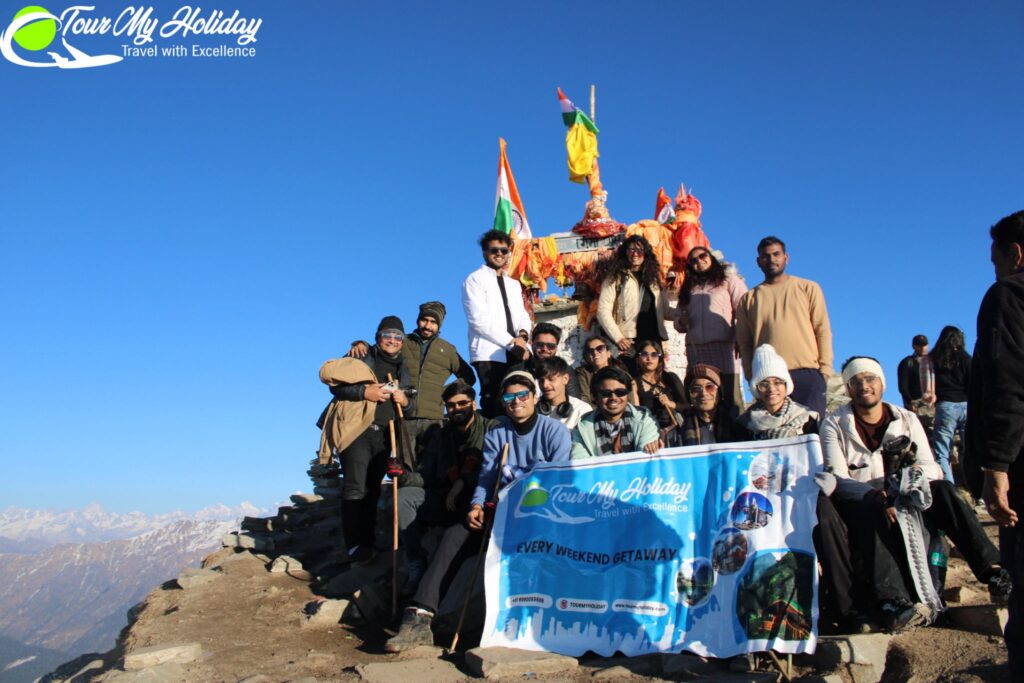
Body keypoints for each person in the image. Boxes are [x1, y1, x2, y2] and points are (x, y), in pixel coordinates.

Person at [821, 356, 1009, 631]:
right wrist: (880, 498)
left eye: (870, 378)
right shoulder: (834, 424)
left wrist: (906, 487)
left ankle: (991, 569)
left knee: (944, 490)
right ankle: (893, 600)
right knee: (872, 511)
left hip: (909, 492)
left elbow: (931, 466)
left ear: (882, 384)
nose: (864, 385)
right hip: (864, 499)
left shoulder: (905, 419)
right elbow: (838, 477)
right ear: (848, 389)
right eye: (855, 381)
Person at [386, 371, 571, 651]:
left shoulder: (554, 431)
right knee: (455, 536)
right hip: (499, 512)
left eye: (523, 395)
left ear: (534, 397)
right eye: (509, 397)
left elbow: (559, 482)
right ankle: (420, 615)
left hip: (540, 515)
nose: (516, 401)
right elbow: (486, 478)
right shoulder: (498, 433)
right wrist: (476, 505)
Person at [966, 210, 1024, 679]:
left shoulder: (1008, 296)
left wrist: (996, 465)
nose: (996, 270)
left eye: (995, 261)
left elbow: (1007, 383)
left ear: (1015, 254)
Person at [389, 381, 495, 594]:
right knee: (405, 496)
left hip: (479, 503)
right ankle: (415, 562)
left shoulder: (492, 429)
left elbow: (495, 470)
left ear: (473, 404)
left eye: (462, 403)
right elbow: (425, 476)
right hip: (444, 501)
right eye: (451, 405)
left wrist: (464, 480)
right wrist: (402, 476)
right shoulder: (441, 436)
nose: (457, 409)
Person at [330, 316, 413, 563]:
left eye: (397, 337)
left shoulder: (402, 367)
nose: (392, 340)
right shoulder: (363, 356)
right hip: (358, 430)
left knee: (372, 489)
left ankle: (367, 542)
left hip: (386, 434)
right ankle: (355, 545)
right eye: (387, 335)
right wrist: (365, 391)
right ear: (378, 337)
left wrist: (405, 402)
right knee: (355, 487)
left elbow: (408, 404)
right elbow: (337, 386)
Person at [348, 301, 476, 452]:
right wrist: (361, 343)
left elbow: (469, 377)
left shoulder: (447, 350)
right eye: (424, 320)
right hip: (402, 415)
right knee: (404, 468)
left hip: (433, 419)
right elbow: (380, 349)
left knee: (430, 468)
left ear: (439, 325)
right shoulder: (403, 342)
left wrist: (445, 392)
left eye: (433, 322)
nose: (427, 326)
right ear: (418, 320)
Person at [735, 236, 833, 418]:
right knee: (776, 439)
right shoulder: (748, 300)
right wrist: (751, 377)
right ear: (758, 261)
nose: (771, 259)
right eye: (765, 256)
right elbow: (744, 343)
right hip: (768, 379)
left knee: (812, 435)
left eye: (776, 254)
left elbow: (822, 330)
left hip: (807, 373)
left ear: (786, 257)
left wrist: (825, 371)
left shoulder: (808, 288)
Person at [462, 229, 533, 418]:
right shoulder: (474, 279)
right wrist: (511, 343)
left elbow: (522, 314)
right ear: (485, 252)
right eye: (494, 250)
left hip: (517, 351)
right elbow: (478, 320)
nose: (499, 254)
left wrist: (523, 337)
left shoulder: (513, 284)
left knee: (519, 401)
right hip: (490, 354)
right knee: (494, 402)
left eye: (504, 250)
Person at [675, 246, 748, 414]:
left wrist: (741, 336)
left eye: (702, 256)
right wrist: (681, 321)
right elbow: (678, 321)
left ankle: (739, 437)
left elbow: (744, 309)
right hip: (697, 350)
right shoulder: (688, 287)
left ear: (711, 257)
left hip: (724, 347)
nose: (699, 261)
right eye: (693, 260)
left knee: (731, 397)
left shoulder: (729, 280)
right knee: (702, 397)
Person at [596, 235, 673, 368]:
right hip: (629, 342)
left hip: (653, 340)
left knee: (654, 379)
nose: (635, 254)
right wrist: (618, 337)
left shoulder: (654, 281)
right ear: (625, 253)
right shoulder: (615, 278)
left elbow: (665, 311)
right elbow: (603, 311)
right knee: (628, 379)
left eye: (639, 250)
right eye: (630, 250)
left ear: (646, 254)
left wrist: (687, 313)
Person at [572, 366, 661, 459]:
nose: (613, 398)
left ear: (627, 394)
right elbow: (581, 464)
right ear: (595, 396)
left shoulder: (644, 420)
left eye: (620, 392)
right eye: (606, 393)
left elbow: (646, 459)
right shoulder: (582, 428)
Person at [737, 344, 819, 439]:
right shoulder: (744, 424)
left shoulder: (807, 419)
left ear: (786, 385)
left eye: (777, 382)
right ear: (756, 389)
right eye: (764, 384)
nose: (771, 389)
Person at [664, 363, 745, 447]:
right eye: (696, 389)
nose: (703, 393)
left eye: (710, 387)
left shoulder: (738, 426)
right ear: (690, 396)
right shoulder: (677, 435)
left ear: (719, 392)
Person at [930, 325, 971, 485]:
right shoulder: (965, 357)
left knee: (942, 451)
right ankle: (976, 490)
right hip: (967, 405)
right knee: (970, 450)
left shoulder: (934, 358)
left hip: (945, 405)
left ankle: (949, 488)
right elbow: (974, 381)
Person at [632, 339, 687, 431]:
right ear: (638, 359)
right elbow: (636, 415)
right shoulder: (634, 383)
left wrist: (670, 404)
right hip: (649, 432)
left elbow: (687, 406)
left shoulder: (671, 378)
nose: (649, 359)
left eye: (654, 355)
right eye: (644, 354)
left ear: (659, 359)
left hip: (675, 431)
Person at [536, 356, 592, 429]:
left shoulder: (581, 410)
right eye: (541, 380)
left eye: (551, 379)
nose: (545, 385)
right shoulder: (533, 410)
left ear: (565, 379)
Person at [896, 334, 936, 435]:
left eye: (925, 345)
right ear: (914, 346)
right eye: (920, 345)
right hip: (916, 403)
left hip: (933, 403)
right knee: (918, 433)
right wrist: (910, 402)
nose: (923, 348)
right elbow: (902, 386)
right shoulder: (907, 363)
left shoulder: (933, 361)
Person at [570, 335, 621, 401]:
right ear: (587, 357)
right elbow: (585, 399)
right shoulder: (583, 373)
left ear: (608, 353)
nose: (595, 352)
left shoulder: (620, 371)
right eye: (590, 350)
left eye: (600, 348)